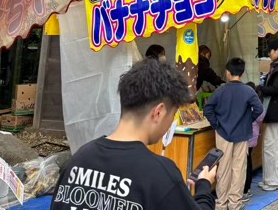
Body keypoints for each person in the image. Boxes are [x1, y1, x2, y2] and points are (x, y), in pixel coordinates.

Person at [50, 59, 216, 210]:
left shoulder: (79, 159)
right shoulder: (160, 174)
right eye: (172, 115)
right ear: (159, 112)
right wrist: (203, 186)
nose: (169, 123)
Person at [204, 58, 264, 210]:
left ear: (228, 73)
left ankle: (221, 203)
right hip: (242, 134)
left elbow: (208, 109)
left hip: (223, 133)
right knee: (239, 169)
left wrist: (216, 124)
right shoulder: (248, 91)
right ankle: (235, 203)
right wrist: (247, 121)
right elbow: (259, 110)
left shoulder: (220, 90)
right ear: (242, 73)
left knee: (223, 168)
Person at [257, 38, 278, 191]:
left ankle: (277, 180)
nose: (269, 54)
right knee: (270, 146)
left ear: (277, 51)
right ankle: (270, 178)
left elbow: (275, 90)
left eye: (270, 51)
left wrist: (260, 87)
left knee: (275, 148)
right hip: (275, 112)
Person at [244, 84, 266, 201]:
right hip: (253, 138)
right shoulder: (259, 106)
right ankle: (246, 189)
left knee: (245, 163)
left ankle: (245, 189)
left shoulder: (253, 107)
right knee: (247, 161)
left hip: (248, 138)